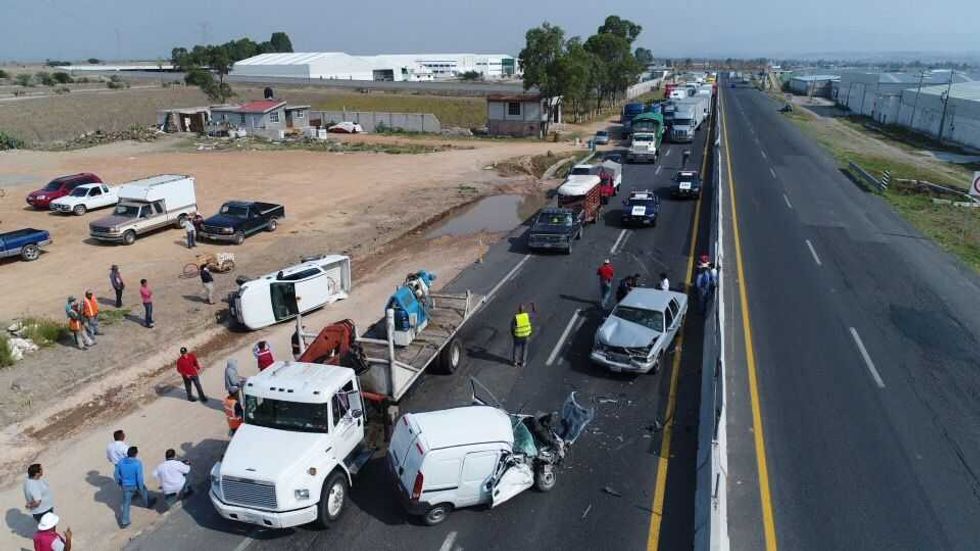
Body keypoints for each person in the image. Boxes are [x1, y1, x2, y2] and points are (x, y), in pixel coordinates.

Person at [114, 446, 155, 528]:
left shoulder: (121, 462)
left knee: (126, 503)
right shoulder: (137, 463)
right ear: (136, 454)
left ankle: (125, 521)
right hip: (135, 485)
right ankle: (148, 504)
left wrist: (119, 482)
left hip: (125, 486)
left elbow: (116, 474)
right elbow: (139, 477)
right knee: (144, 491)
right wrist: (140, 487)